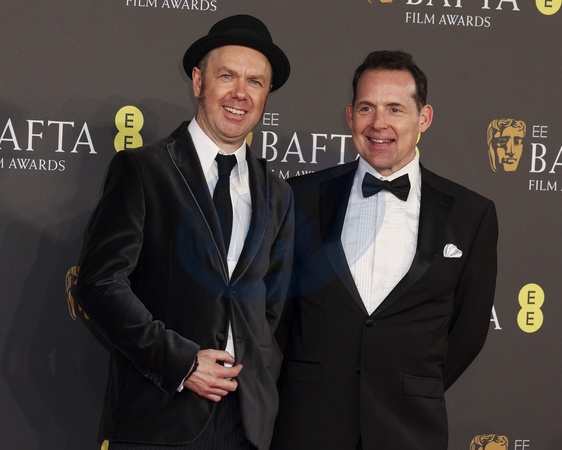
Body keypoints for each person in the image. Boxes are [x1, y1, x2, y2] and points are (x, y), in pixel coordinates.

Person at [75, 14, 293, 450]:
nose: (240, 93)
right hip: (159, 415)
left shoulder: (277, 192)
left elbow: (271, 307)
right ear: (198, 81)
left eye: (255, 82)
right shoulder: (144, 169)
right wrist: (182, 363)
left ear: (266, 95)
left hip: (245, 423)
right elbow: (100, 284)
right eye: (226, 76)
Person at [272, 50, 498, 450]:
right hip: (309, 422)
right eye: (367, 108)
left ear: (423, 118)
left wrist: (412, 384)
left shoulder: (471, 213)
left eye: (395, 109)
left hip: (409, 427)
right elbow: (279, 313)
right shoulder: (299, 197)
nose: (379, 123)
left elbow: (469, 329)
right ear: (350, 116)